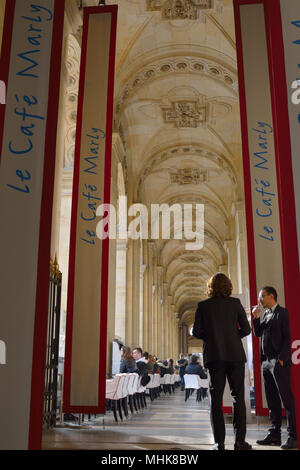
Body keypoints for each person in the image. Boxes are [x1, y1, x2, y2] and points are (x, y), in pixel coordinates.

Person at [192, 272, 252, 451]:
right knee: (238, 398)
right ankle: (240, 442)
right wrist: (233, 337)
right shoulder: (235, 303)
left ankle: (219, 443)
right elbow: (247, 329)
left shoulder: (203, 306)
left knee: (216, 400)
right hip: (235, 356)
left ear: (210, 287)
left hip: (215, 356)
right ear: (228, 286)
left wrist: (210, 338)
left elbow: (196, 332)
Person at [252, 286, 298, 449]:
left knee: (287, 399)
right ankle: (274, 434)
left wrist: (281, 360)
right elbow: (257, 333)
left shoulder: (282, 313)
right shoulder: (265, 314)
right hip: (266, 362)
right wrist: (256, 318)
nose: (260, 300)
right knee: (272, 400)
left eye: (262, 296)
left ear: (271, 296)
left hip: (278, 363)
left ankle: (293, 436)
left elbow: (287, 337)